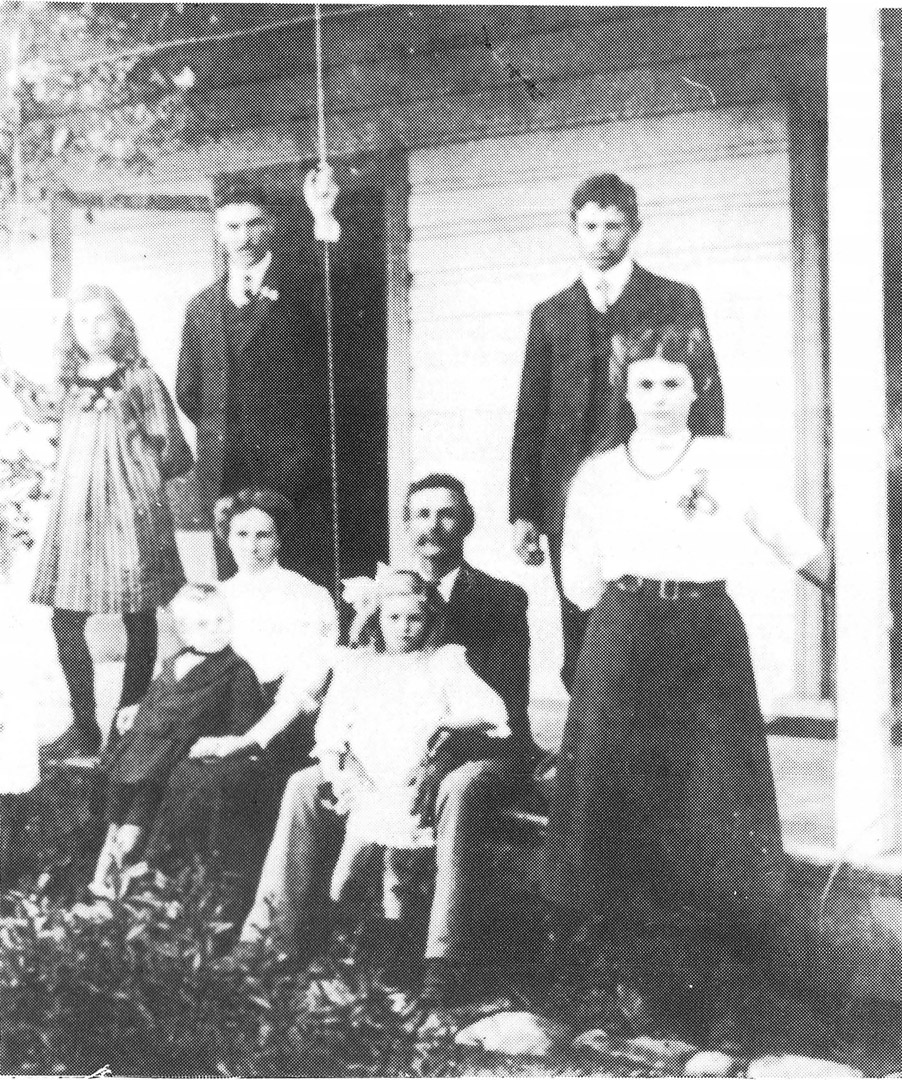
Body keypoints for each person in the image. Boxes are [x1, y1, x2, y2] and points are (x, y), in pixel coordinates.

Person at [544, 324, 831, 1025]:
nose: (660, 397)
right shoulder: (599, 474)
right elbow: (580, 580)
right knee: (621, 800)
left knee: (709, 799)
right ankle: (630, 983)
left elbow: (792, 539)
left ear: (697, 388)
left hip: (705, 640)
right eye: (645, 383)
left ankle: (716, 986)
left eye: (674, 382)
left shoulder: (727, 462)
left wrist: (862, 599)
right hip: (625, 638)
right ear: (626, 390)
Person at [241, 474, 533, 1005]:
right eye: (421, 515)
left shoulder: (501, 599)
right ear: (405, 524)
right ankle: (269, 941)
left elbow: (502, 707)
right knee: (306, 785)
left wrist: (439, 756)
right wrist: (346, 757)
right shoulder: (379, 599)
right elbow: (348, 694)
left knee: (457, 789)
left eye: (446, 514)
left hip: (475, 749)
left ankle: (441, 960)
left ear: (466, 522)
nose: (433, 527)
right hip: (382, 749)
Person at [509, 174, 725, 690]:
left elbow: (707, 400)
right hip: (570, 498)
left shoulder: (674, 299)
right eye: (590, 226)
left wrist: (698, 485)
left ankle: (658, 754)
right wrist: (523, 510)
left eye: (614, 225)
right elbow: (531, 415)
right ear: (574, 229)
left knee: (652, 627)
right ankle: (591, 756)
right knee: (581, 630)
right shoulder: (551, 314)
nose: (602, 238)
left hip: (652, 487)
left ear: (635, 229)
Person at [7, 284, 193, 758]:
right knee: (67, 615)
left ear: (121, 324)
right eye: (82, 321)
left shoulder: (140, 379)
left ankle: (128, 721)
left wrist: (137, 476)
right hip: (76, 513)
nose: (93, 330)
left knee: (139, 612)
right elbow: (47, 413)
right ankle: (85, 723)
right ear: (72, 329)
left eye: (103, 319)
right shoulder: (67, 381)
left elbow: (172, 448)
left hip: (130, 510)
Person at [140, 489, 337, 905]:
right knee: (144, 752)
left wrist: (247, 739)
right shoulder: (216, 595)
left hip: (279, 724)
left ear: (280, 538)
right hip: (215, 711)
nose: (251, 545)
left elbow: (303, 688)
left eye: (263, 534)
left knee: (209, 776)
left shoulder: (309, 596)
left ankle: (208, 899)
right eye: (240, 533)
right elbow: (188, 664)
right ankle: (134, 877)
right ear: (226, 538)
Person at [313, 570, 509, 929]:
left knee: (396, 874)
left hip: (407, 780)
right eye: (394, 617)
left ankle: (391, 949)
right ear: (377, 619)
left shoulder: (443, 662)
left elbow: (492, 711)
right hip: (367, 779)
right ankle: (339, 935)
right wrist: (340, 770)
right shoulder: (358, 665)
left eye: (414, 618)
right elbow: (330, 728)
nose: (404, 627)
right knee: (349, 865)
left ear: (429, 619)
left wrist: (442, 723)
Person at [175, 177, 333, 586]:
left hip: (290, 466)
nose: (243, 237)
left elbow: (333, 278)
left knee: (297, 574)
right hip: (227, 470)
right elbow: (189, 391)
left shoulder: (301, 287)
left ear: (272, 226)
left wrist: (321, 217)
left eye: (254, 224)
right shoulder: (202, 306)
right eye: (232, 227)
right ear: (216, 229)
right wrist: (223, 432)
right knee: (235, 582)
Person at [90, 583, 263, 896]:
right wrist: (136, 708)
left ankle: (121, 858)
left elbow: (242, 727)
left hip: (182, 744)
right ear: (184, 631)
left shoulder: (237, 671)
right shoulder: (173, 662)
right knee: (121, 777)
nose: (215, 630)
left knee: (143, 791)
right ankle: (106, 861)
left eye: (221, 620)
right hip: (149, 740)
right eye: (202, 624)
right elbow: (157, 698)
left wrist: (218, 744)